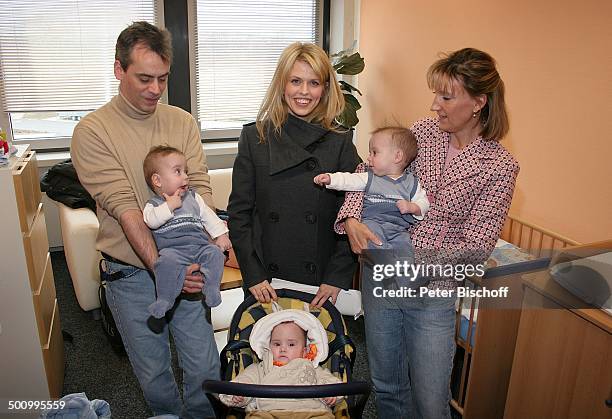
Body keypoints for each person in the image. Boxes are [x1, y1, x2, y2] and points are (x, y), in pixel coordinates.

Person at [335, 48, 520, 418]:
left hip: (432, 290)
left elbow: (478, 246)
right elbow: (370, 170)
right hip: (381, 276)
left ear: (479, 102)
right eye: (435, 94)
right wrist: (353, 217)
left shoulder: (499, 166)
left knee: (431, 400)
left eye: (446, 96)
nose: (435, 105)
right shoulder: (423, 133)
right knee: (387, 386)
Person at [71, 22, 220, 418]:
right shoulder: (92, 131)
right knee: (154, 376)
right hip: (133, 274)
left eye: (162, 78)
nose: (155, 89)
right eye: (144, 78)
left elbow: (199, 189)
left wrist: (202, 251)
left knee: (204, 366)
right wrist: (161, 267)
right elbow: (125, 208)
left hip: (186, 264)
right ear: (119, 70)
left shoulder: (182, 122)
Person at [227, 42, 361, 308]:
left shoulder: (340, 141)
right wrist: (253, 275)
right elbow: (239, 214)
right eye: (295, 81)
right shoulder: (255, 138)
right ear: (282, 85)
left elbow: (354, 211)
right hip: (266, 280)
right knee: (266, 348)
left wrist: (336, 276)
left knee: (317, 348)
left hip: (320, 280)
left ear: (324, 89)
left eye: (313, 83)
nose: (304, 92)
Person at [313, 126, 429, 273]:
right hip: (373, 224)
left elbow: (423, 202)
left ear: (397, 156)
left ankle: (406, 278)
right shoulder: (369, 176)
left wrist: (413, 207)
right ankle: (388, 265)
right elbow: (349, 180)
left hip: (399, 230)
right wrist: (330, 179)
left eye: (374, 152)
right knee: (373, 242)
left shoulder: (412, 183)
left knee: (406, 250)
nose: (369, 157)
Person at [142, 145, 231, 318]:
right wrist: (169, 206)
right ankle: (165, 299)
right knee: (164, 265)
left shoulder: (193, 197)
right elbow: (151, 221)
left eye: (185, 171)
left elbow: (209, 217)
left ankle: (211, 288)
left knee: (215, 254)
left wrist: (220, 235)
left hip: (199, 247)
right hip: (173, 251)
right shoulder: (153, 204)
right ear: (158, 181)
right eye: (178, 172)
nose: (185, 177)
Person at [219, 309, 342, 418]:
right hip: (268, 412)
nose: (283, 349)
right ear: (268, 346)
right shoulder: (260, 368)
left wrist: (331, 394)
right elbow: (245, 381)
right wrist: (238, 394)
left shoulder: (312, 367)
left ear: (305, 351)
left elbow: (331, 383)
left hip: (311, 411)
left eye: (291, 344)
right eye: (277, 344)